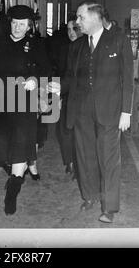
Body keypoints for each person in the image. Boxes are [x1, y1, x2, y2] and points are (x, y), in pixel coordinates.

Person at [48, 1, 133, 223]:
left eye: (80, 17)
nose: (77, 22)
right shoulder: (76, 47)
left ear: (95, 17)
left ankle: (110, 208)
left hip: (110, 111)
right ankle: (90, 196)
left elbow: (127, 80)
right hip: (82, 111)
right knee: (85, 157)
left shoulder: (118, 40)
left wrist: (127, 111)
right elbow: (70, 77)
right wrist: (60, 87)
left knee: (109, 159)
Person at [0, 5, 51, 215]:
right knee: (3, 149)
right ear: (9, 23)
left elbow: (46, 69)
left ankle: (12, 191)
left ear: (29, 25)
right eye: (14, 23)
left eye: (22, 24)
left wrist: (34, 80)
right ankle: (18, 172)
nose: (17, 27)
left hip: (25, 102)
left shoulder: (36, 44)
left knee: (21, 144)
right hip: (1, 101)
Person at [55, 17, 83, 178]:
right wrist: (58, 96)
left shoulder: (89, 48)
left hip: (83, 99)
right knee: (64, 131)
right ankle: (70, 163)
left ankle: (80, 164)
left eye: (75, 29)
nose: (71, 33)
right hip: (67, 96)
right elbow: (61, 74)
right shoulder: (65, 49)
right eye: (68, 30)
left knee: (80, 133)